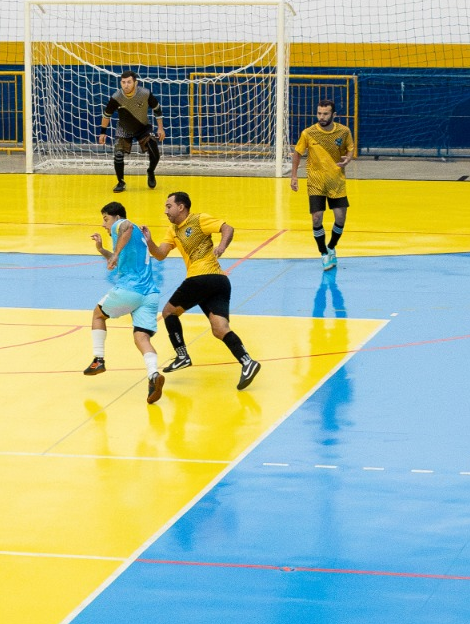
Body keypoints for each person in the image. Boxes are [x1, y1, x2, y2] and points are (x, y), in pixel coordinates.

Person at [143, 191, 260, 389]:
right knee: (220, 329)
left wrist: (222, 247)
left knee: (169, 312)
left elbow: (227, 228)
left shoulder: (198, 220)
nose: (165, 211)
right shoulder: (172, 230)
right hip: (219, 282)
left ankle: (182, 355)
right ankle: (248, 362)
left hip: (201, 277)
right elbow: (161, 254)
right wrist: (149, 241)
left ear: (181, 207)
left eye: (169, 206)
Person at [84, 201, 166, 404]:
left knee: (97, 315)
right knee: (141, 337)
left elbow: (126, 227)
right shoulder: (135, 237)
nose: (104, 224)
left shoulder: (122, 225)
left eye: (105, 219)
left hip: (131, 289)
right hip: (150, 294)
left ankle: (98, 359)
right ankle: (154, 375)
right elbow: (117, 259)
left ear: (116, 217)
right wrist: (102, 250)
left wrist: (116, 253)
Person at [289, 99, 356, 272]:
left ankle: (331, 247)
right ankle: (323, 253)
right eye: (319, 113)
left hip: (336, 181)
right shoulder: (308, 133)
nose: (321, 117)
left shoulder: (344, 131)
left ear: (334, 115)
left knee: (340, 218)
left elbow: (350, 148)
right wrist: (294, 176)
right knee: (316, 218)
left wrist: (348, 158)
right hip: (316, 182)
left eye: (325, 114)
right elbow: (297, 153)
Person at [98, 70, 162, 193]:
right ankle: (121, 182)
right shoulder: (116, 97)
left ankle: (150, 171)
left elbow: (157, 109)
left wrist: (160, 128)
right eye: (123, 82)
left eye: (129, 82)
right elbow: (106, 115)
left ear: (135, 83)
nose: (126, 85)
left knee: (155, 152)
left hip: (143, 128)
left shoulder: (145, 93)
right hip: (124, 128)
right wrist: (102, 132)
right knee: (118, 155)